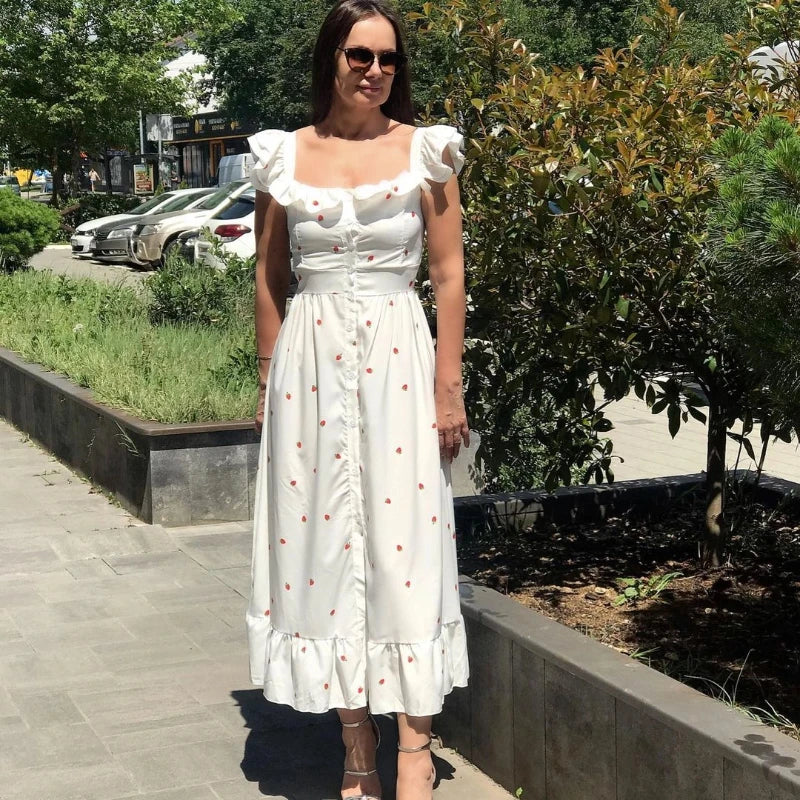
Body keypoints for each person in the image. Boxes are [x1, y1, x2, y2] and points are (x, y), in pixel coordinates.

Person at [246, 2, 470, 798]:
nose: (376, 70)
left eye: (388, 59)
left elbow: (446, 275)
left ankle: (414, 744)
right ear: (330, 60)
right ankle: (355, 746)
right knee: (321, 550)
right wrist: (271, 378)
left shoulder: (425, 152)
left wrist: (450, 388)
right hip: (309, 365)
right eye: (359, 55)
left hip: (398, 358)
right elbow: (271, 278)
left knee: (404, 545)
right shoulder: (283, 157)